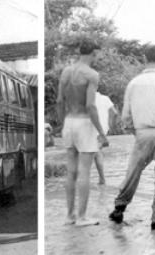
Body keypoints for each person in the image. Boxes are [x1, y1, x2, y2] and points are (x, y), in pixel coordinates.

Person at [108, 44, 155, 230]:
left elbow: (125, 115)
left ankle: (119, 207)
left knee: (133, 171)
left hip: (142, 133)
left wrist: (135, 131)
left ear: (144, 59)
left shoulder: (133, 83)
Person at [57, 40, 108, 226]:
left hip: (69, 122)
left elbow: (59, 101)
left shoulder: (66, 72)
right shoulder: (91, 74)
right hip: (84, 122)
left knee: (71, 171)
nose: (98, 58)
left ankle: (69, 216)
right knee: (85, 171)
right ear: (93, 53)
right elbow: (90, 105)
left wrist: (63, 123)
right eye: (98, 55)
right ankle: (82, 217)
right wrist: (102, 132)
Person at [94, 91, 118, 185]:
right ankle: (102, 179)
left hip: (90, 129)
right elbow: (115, 113)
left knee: (94, 153)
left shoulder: (84, 98)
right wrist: (111, 125)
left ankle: (101, 180)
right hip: (103, 130)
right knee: (98, 153)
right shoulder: (105, 98)